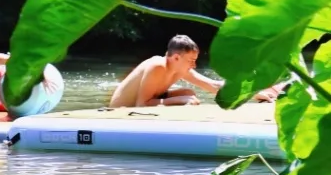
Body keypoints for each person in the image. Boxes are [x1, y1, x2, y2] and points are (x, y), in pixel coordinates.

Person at [108, 34, 283, 108]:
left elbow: (213, 85)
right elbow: (141, 104)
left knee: (188, 92)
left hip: (145, 102)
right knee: (186, 95)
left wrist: (251, 93)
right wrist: (179, 99)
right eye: (191, 61)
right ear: (176, 58)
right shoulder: (157, 66)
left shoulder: (178, 68)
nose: (194, 66)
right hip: (122, 110)